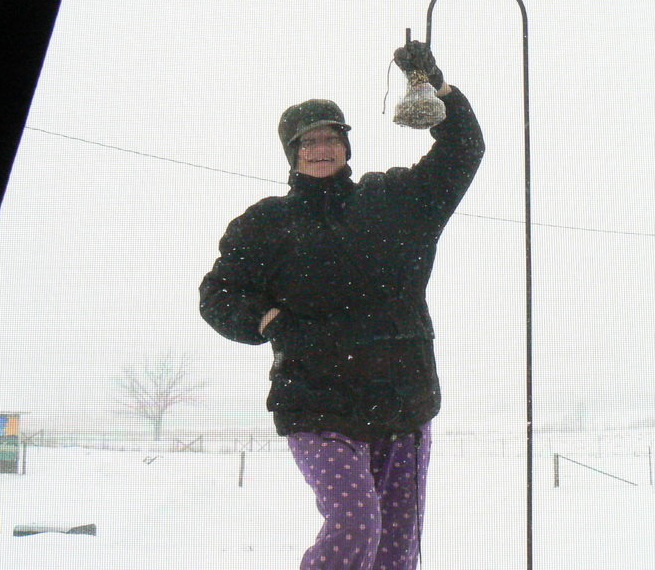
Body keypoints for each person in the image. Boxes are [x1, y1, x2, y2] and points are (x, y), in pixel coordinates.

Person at [199, 41, 484, 570]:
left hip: (404, 401)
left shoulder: (394, 201)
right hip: (317, 402)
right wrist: (264, 320)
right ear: (292, 153)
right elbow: (217, 294)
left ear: (347, 146)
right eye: (308, 141)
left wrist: (438, 87)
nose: (321, 148)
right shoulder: (266, 224)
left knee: (395, 551)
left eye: (331, 137)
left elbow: (463, 151)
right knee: (355, 526)